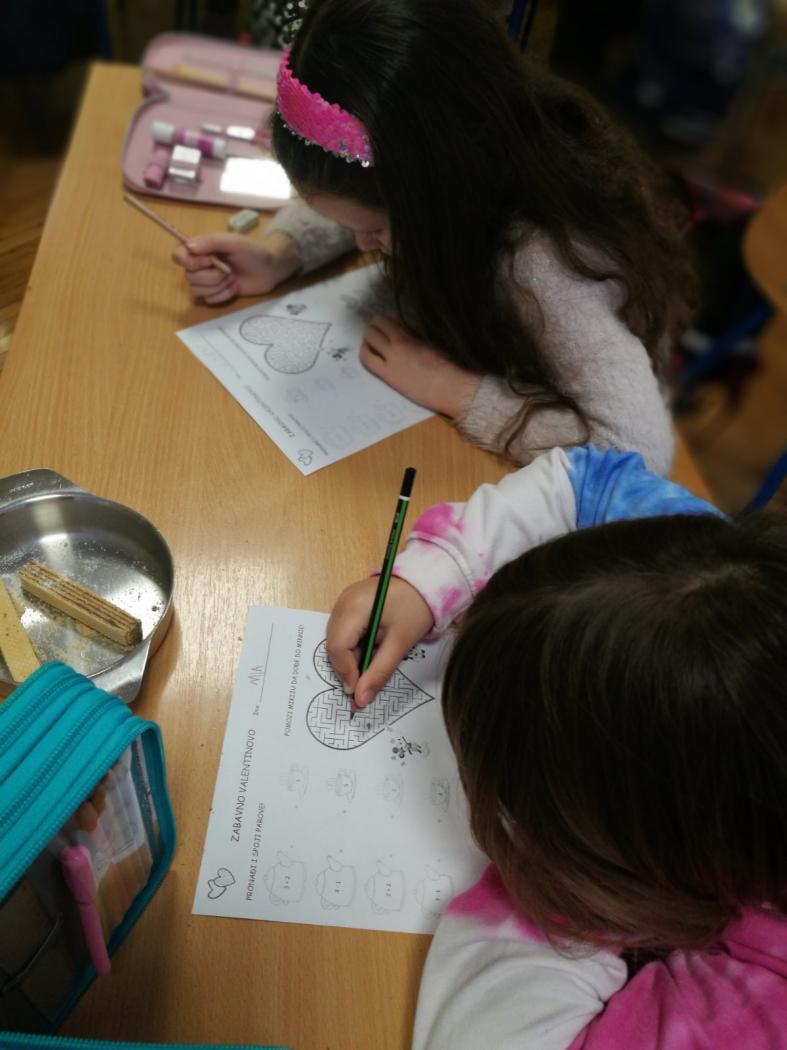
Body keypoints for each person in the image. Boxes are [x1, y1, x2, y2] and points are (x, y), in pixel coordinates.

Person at [325, 445, 787, 1047]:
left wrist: (557, 892)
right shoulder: (733, 588)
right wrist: (428, 578)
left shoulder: (758, 1009)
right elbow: (586, 481)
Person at [172, 0, 698, 475]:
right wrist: (280, 253)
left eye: (375, 231)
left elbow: (638, 452)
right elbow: (363, 191)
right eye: (353, 228)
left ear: (437, 189)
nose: (363, 245)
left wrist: (460, 393)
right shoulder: (457, 156)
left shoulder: (544, 263)